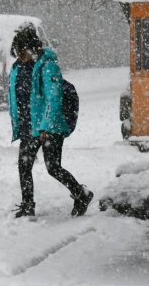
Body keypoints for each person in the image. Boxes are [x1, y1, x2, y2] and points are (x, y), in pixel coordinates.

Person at [7, 22, 93, 218]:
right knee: (24, 165)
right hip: (29, 126)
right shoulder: (18, 68)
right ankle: (28, 205)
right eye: (18, 51)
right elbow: (15, 96)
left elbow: (53, 98)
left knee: (53, 167)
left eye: (23, 51)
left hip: (49, 126)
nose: (20, 56)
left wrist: (46, 125)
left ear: (33, 48)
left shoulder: (48, 66)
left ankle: (81, 193)